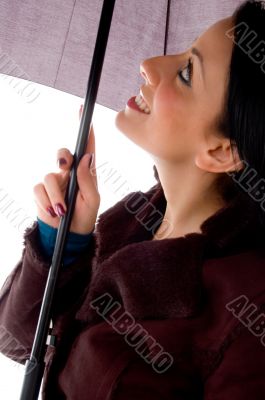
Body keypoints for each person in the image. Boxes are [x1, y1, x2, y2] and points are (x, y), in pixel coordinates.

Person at [1, 0, 265, 398]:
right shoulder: (131, 221)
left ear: (222, 152)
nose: (149, 63)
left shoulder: (249, 306)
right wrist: (62, 242)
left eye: (187, 73)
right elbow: (19, 338)